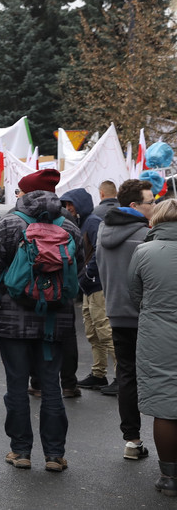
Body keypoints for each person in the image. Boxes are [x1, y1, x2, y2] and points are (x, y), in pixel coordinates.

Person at [0, 169, 80, 473]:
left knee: (17, 385)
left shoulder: (9, 223)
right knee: (51, 386)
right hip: (55, 319)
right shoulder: (69, 226)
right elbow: (77, 266)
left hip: (12, 317)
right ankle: (54, 455)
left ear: (25, 193)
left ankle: (20, 451)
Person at [98, 178, 156, 460]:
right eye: (150, 202)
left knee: (126, 376)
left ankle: (132, 441)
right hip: (146, 315)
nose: (154, 206)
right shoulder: (147, 235)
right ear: (134, 206)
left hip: (116, 312)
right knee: (159, 377)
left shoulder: (102, 230)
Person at [126, 199, 177, 496]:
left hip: (157, 334)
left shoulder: (144, 251)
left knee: (165, 404)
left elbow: (134, 293)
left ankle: (170, 476)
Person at [60, 188, 115, 392]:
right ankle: (99, 374)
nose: (68, 208)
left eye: (70, 204)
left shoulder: (92, 222)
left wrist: (89, 273)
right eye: (65, 205)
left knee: (104, 331)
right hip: (88, 286)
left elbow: (101, 250)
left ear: (80, 204)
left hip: (97, 285)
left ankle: (121, 377)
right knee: (93, 332)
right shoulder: (81, 223)